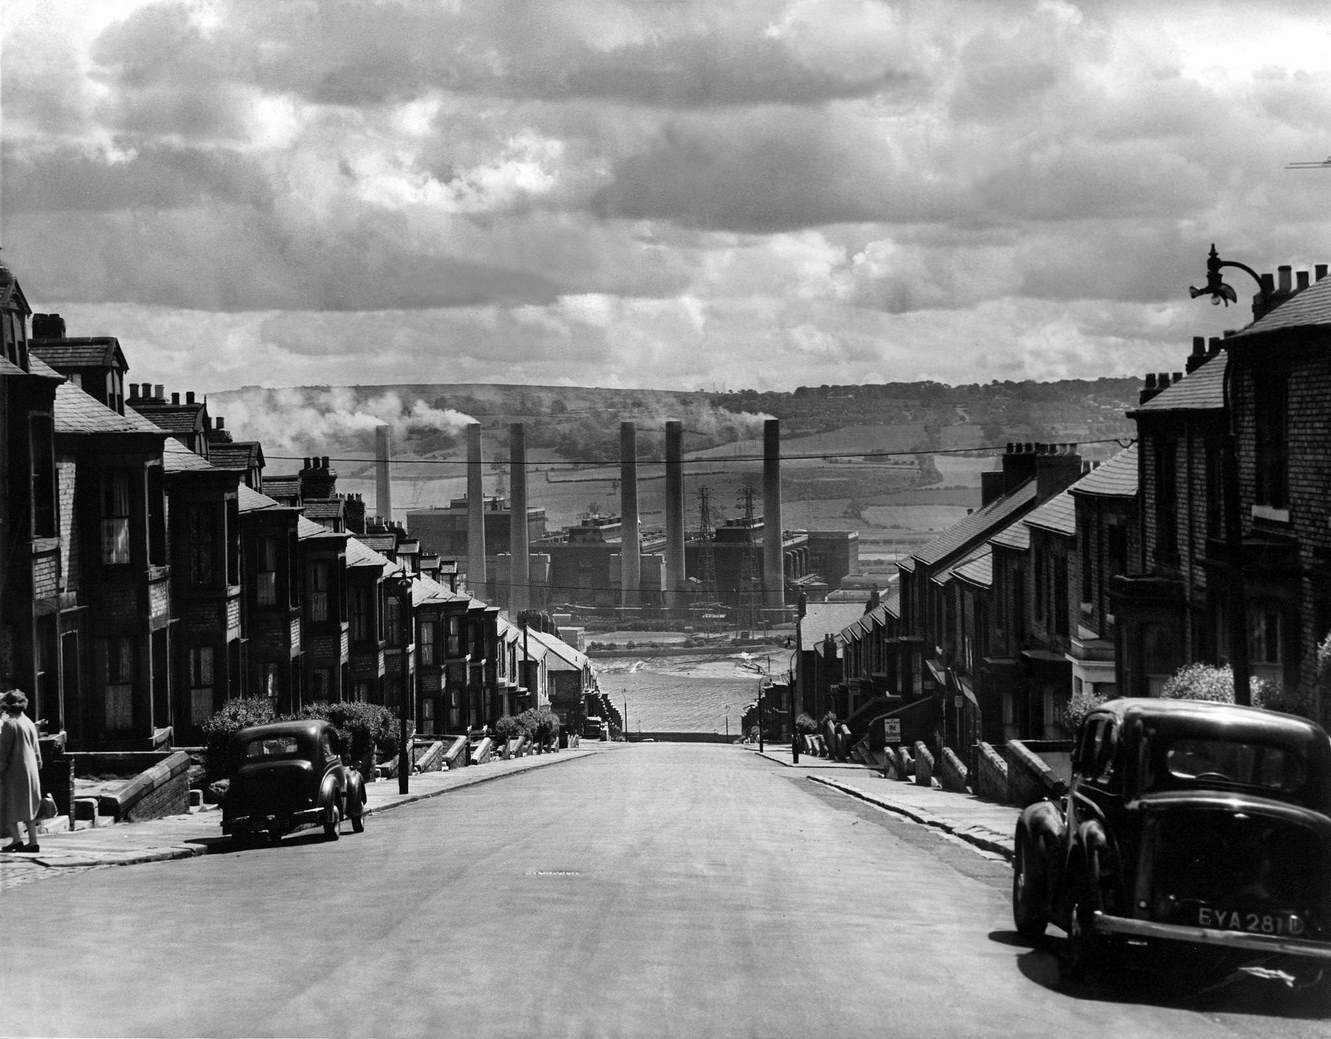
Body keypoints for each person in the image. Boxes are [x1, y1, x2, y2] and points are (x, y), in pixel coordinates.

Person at [0, 688, 43, 853]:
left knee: (8, 805)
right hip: (31, 770)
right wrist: (39, 763)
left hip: (15, 770)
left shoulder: (10, 725)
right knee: (28, 806)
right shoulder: (29, 722)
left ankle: (17, 840)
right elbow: (37, 749)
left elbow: (3, 752)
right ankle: (33, 841)